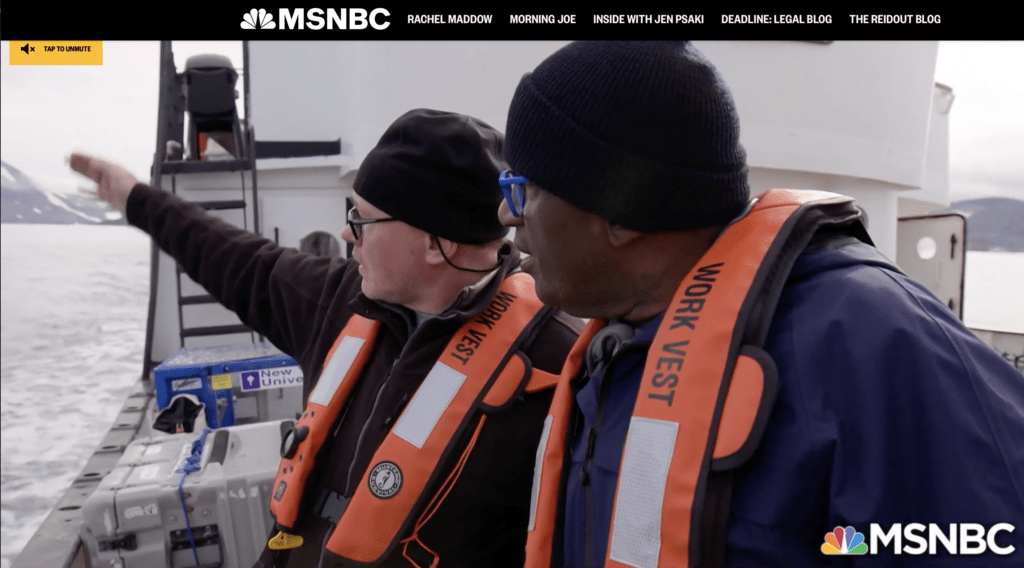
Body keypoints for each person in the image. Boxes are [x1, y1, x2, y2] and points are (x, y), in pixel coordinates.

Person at [497, 41, 1024, 567]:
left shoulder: (875, 344)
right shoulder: (618, 344)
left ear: (621, 211)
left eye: (521, 189)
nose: (505, 213)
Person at [71, 108, 581, 568]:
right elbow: (232, 258)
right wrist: (133, 197)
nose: (346, 234)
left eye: (361, 217)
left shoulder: (555, 364)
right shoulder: (340, 301)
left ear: (436, 242)